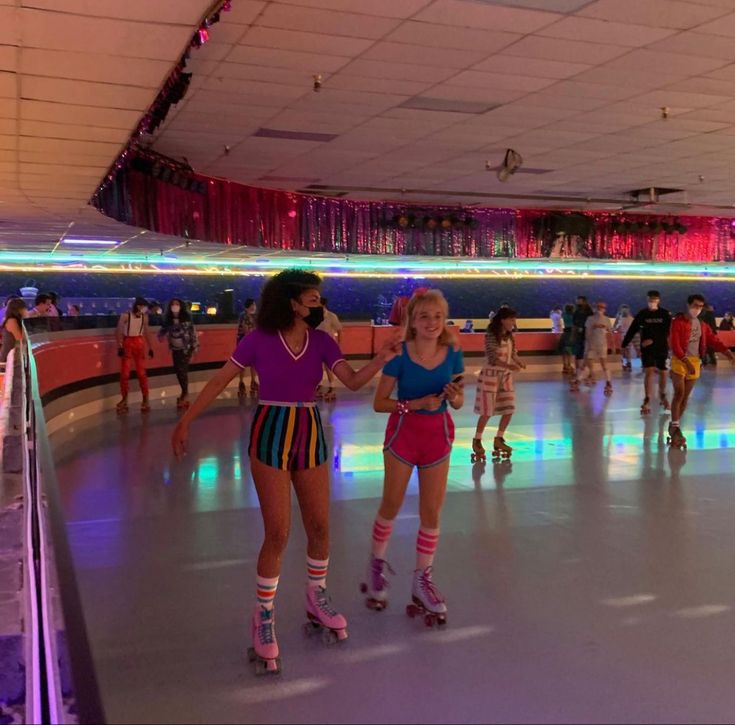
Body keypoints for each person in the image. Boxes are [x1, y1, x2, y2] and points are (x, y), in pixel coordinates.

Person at [171, 269, 401, 676]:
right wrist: (186, 420)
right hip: (270, 433)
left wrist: (382, 358)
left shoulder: (323, 342)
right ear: (292, 302)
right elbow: (220, 380)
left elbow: (351, 381)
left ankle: (317, 596)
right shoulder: (258, 340)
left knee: (320, 528)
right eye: (313, 300)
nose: (319, 306)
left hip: (309, 432)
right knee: (278, 532)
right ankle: (262, 615)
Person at [363, 290, 464, 623]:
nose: (432, 323)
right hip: (403, 436)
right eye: (424, 317)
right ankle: (377, 564)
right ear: (413, 321)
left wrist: (455, 396)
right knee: (391, 503)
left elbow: (459, 400)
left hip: (437, 437)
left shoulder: (452, 353)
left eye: (437, 316)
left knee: (431, 511)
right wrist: (416, 404)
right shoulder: (399, 355)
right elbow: (380, 402)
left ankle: (423, 579)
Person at [668, 295, 735, 448]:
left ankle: (674, 425)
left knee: (685, 396)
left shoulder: (702, 325)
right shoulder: (678, 322)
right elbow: (675, 344)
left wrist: (728, 353)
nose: (697, 309)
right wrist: (685, 361)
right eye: (695, 305)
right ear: (688, 304)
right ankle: (676, 426)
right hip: (680, 360)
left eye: (700, 306)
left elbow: (713, 340)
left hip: (694, 361)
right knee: (679, 391)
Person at [472, 307, 525, 462]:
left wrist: (518, 361)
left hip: (505, 377)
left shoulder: (510, 336)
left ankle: (499, 438)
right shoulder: (491, 335)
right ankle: (477, 440)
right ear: (503, 320)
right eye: (511, 319)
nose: (513, 323)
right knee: (487, 411)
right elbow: (492, 357)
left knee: (509, 408)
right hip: (491, 377)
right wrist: (509, 366)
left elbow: (513, 352)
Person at [621, 290, 672, 415]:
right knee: (649, 371)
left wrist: (653, 340)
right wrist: (624, 343)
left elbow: (667, 332)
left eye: (654, 300)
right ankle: (647, 398)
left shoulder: (665, 314)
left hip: (661, 347)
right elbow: (633, 329)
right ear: (647, 299)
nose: (652, 302)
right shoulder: (642, 314)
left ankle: (662, 394)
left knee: (663, 371)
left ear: (659, 300)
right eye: (650, 299)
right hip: (647, 348)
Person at [115, 297, 155, 414]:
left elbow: (147, 332)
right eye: (144, 307)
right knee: (125, 373)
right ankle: (125, 398)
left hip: (138, 343)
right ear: (139, 306)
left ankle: (145, 398)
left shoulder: (144, 317)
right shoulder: (126, 316)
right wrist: (120, 346)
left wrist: (151, 347)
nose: (145, 309)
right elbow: (119, 331)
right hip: (129, 343)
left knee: (141, 373)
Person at [158, 299, 198, 409]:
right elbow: (162, 332)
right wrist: (161, 336)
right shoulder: (168, 321)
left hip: (186, 349)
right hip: (175, 349)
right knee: (178, 370)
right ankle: (184, 392)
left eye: (177, 304)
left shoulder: (186, 319)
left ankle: (185, 394)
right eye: (173, 304)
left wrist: (194, 349)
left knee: (182, 371)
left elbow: (193, 333)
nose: (175, 306)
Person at [581, 301, 614, 395]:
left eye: (602, 307)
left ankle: (608, 382)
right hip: (592, 344)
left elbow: (610, 333)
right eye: (599, 307)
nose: (600, 309)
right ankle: (588, 378)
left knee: (604, 364)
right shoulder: (590, 319)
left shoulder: (607, 319)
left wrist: (613, 346)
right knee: (588, 363)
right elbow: (587, 332)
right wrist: (588, 344)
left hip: (602, 345)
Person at [316, 298, 343, 401]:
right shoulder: (313, 316)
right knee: (317, 365)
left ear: (322, 305)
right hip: (315, 344)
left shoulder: (331, 316)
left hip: (328, 344)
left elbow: (339, 330)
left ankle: (332, 386)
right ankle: (319, 385)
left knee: (328, 367)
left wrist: (339, 345)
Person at [569, 295, 593, 392]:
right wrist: (573, 336)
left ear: (584, 301)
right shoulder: (576, 312)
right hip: (579, 338)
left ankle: (585, 377)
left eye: (579, 301)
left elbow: (590, 325)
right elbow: (574, 325)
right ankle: (582, 377)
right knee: (578, 358)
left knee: (584, 359)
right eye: (577, 300)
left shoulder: (589, 312)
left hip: (587, 338)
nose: (578, 302)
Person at [236, 299, 258, 398]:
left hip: (253, 342)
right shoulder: (243, 315)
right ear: (250, 305)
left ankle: (253, 381)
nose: (255, 306)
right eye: (254, 304)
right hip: (244, 342)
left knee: (253, 363)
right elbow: (245, 330)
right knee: (242, 363)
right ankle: (241, 383)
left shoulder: (253, 316)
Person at [0, 298, 27, 372]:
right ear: (18, 309)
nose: (26, 310)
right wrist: (25, 318)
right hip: (9, 356)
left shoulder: (15, 320)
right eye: (24, 308)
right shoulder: (11, 321)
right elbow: (20, 339)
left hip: (14, 355)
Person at [613, 304, 635, 372]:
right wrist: (616, 329)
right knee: (622, 350)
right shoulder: (619, 318)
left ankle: (628, 363)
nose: (624, 310)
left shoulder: (631, 318)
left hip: (627, 336)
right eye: (623, 309)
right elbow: (615, 327)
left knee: (627, 350)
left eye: (626, 308)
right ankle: (622, 362)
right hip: (620, 336)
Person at [558, 303, 576, 376]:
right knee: (570, 351)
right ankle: (569, 365)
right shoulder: (573, 316)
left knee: (564, 351)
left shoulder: (564, 316)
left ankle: (565, 366)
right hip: (571, 333)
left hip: (565, 334)